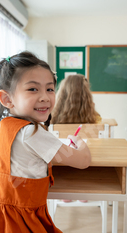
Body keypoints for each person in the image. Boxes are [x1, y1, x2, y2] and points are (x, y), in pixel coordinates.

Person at [0, 51, 91, 233]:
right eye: (33, 89)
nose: (44, 97)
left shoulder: (7, 127)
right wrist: (81, 143)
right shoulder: (32, 133)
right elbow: (83, 161)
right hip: (18, 221)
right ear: (7, 99)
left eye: (49, 89)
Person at [51, 74, 100, 203]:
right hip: (87, 161)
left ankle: (66, 189)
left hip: (63, 162)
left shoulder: (55, 114)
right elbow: (97, 128)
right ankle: (84, 187)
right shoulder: (92, 114)